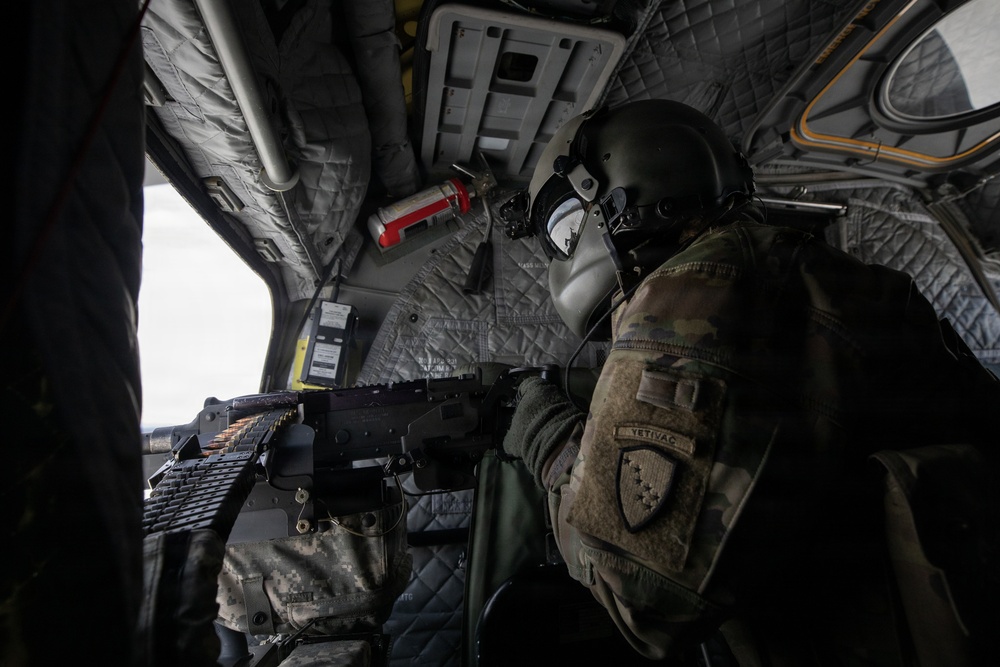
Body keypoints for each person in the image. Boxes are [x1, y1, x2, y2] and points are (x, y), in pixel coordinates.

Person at [498, 100, 1000, 665]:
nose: (564, 253)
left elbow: (641, 600)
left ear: (620, 196)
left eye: (566, 225)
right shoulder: (822, 274)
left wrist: (546, 439)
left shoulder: (701, 284)